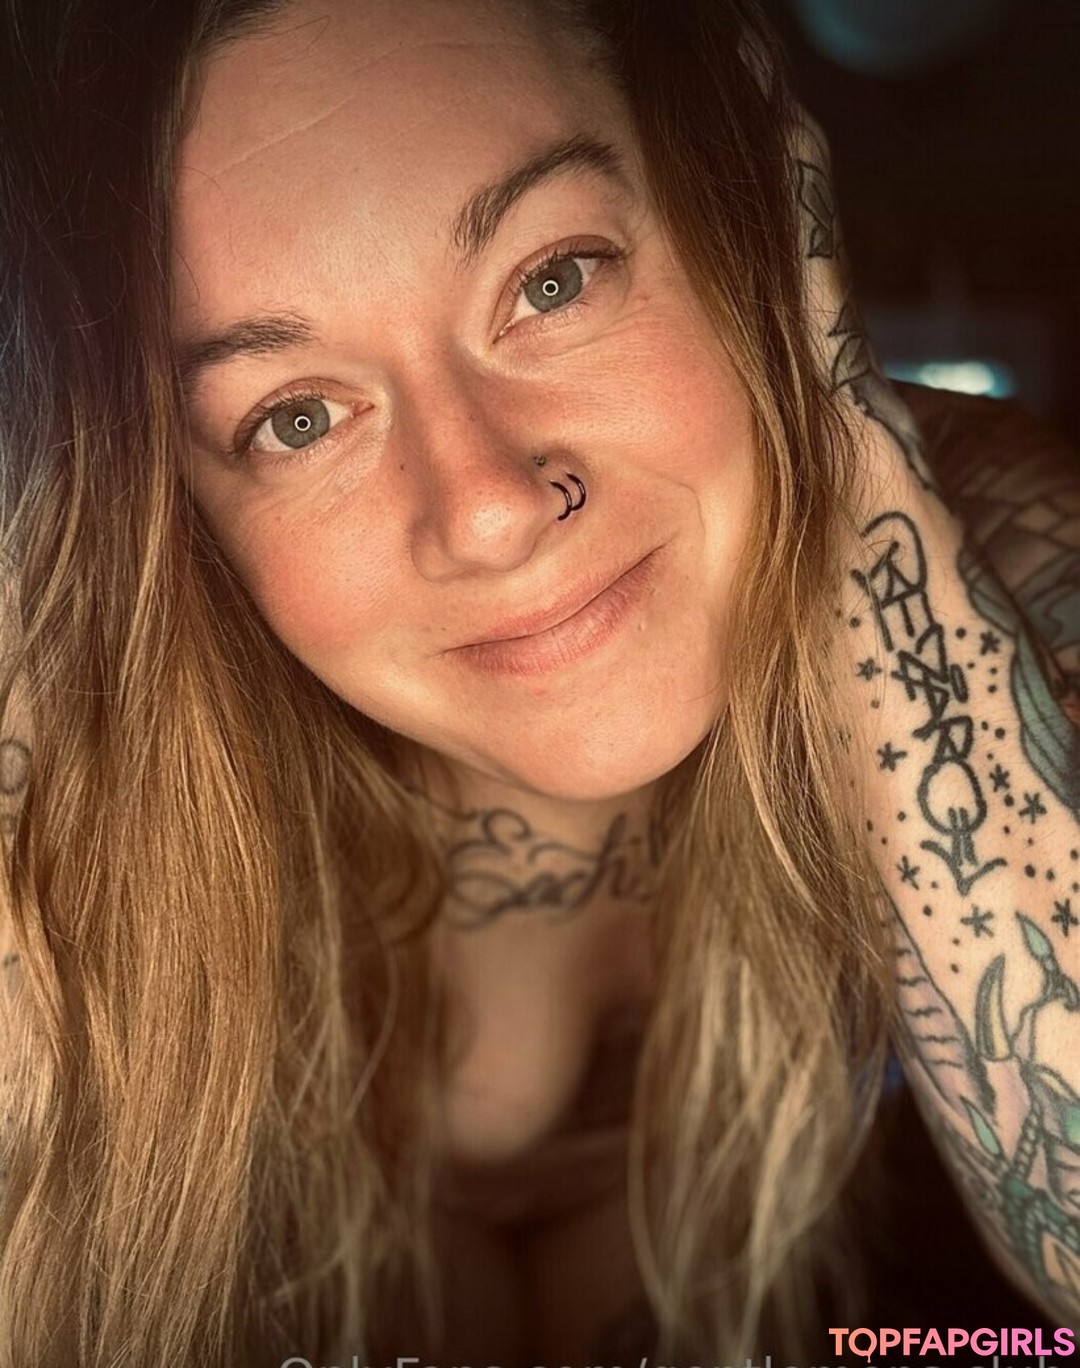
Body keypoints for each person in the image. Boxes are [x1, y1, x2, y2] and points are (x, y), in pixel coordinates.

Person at [0, 0, 1077, 1364]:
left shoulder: (980, 539)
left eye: (554, 280)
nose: (492, 509)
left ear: (741, 213)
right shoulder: (87, 764)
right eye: (296, 417)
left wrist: (845, 455)